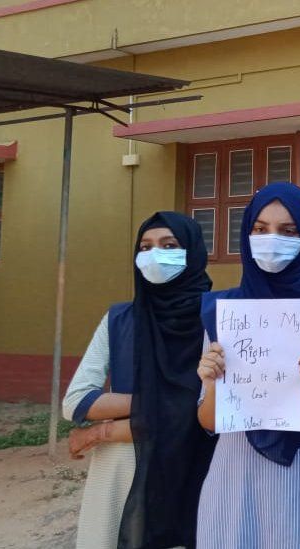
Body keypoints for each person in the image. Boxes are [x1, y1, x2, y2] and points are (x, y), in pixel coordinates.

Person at [195, 182, 300, 548]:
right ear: (246, 234)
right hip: (233, 473)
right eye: (260, 229)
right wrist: (212, 384)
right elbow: (208, 421)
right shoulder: (223, 313)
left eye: (287, 231)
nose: (272, 240)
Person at [63, 212, 215, 548]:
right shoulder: (120, 319)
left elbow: (209, 416)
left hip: (194, 469)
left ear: (192, 252)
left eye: (169, 245)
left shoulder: (216, 318)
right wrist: (169, 403)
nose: (154, 255)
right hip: (124, 469)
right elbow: (76, 402)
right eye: (145, 248)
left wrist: (103, 430)